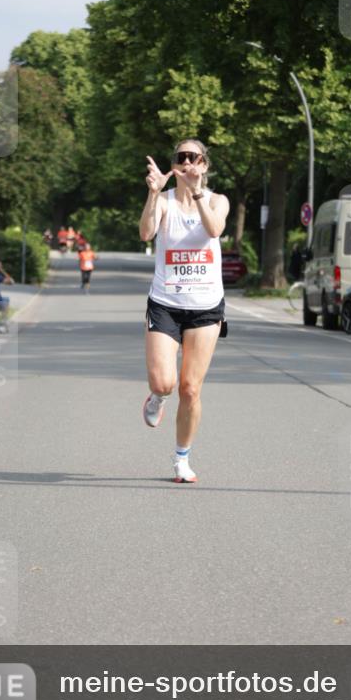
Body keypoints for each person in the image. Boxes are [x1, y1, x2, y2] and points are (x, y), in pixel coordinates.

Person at [139, 139, 229, 484]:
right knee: (165, 382)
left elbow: (214, 229)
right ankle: (157, 396)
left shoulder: (218, 200)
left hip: (206, 306)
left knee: (190, 388)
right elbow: (146, 232)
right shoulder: (163, 203)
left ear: (204, 164)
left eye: (195, 157)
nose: (188, 162)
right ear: (174, 165)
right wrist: (153, 193)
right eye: (182, 157)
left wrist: (197, 193)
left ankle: (181, 459)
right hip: (165, 304)